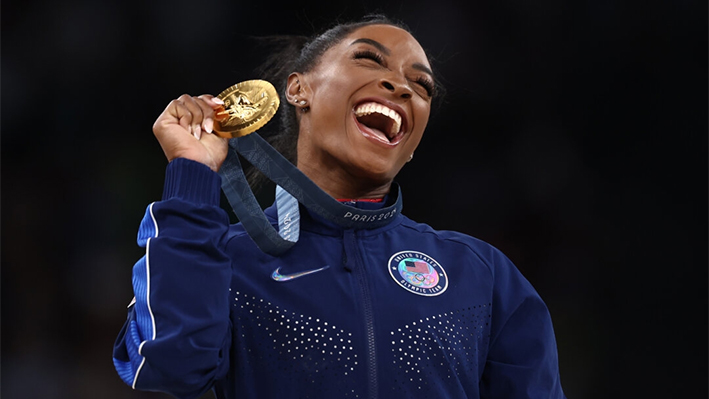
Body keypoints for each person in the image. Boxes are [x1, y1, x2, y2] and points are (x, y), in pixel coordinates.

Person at [113, 15, 566, 399]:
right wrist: (192, 173)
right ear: (297, 89)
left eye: (422, 85)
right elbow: (169, 362)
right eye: (368, 59)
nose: (401, 86)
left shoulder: (482, 275)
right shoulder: (227, 259)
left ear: (412, 144)